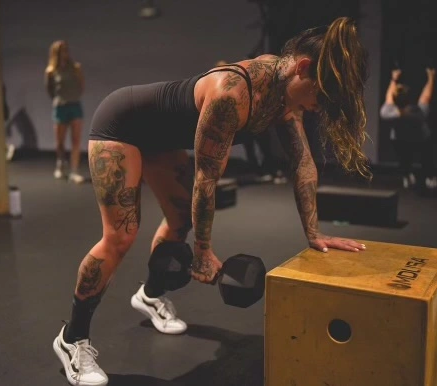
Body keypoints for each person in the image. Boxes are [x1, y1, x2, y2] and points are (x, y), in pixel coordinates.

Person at [53, 17, 369, 386]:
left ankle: (150, 296)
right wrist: (202, 251)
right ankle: (72, 338)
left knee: (179, 221)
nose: (318, 106)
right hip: (122, 124)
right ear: (302, 68)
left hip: (161, 138)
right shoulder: (231, 93)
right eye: (320, 95)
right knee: (121, 236)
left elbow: (302, 163)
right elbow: (207, 177)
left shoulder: (284, 95)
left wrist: (314, 234)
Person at [380, 67, 437, 190]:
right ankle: (428, 177)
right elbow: (426, 97)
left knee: (407, 158)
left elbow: (389, 97)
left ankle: (411, 174)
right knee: (424, 157)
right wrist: (431, 77)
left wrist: (394, 79)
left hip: (403, 139)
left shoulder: (389, 112)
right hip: (419, 138)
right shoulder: (417, 113)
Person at [45, 40, 86, 183]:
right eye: (62, 50)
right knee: (60, 142)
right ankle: (61, 163)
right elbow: (49, 90)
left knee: (76, 140)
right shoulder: (51, 71)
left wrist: (73, 96)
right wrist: (60, 99)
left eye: (66, 50)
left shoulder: (76, 67)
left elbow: (81, 85)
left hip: (74, 105)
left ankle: (74, 170)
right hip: (60, 107)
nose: (65, 53)